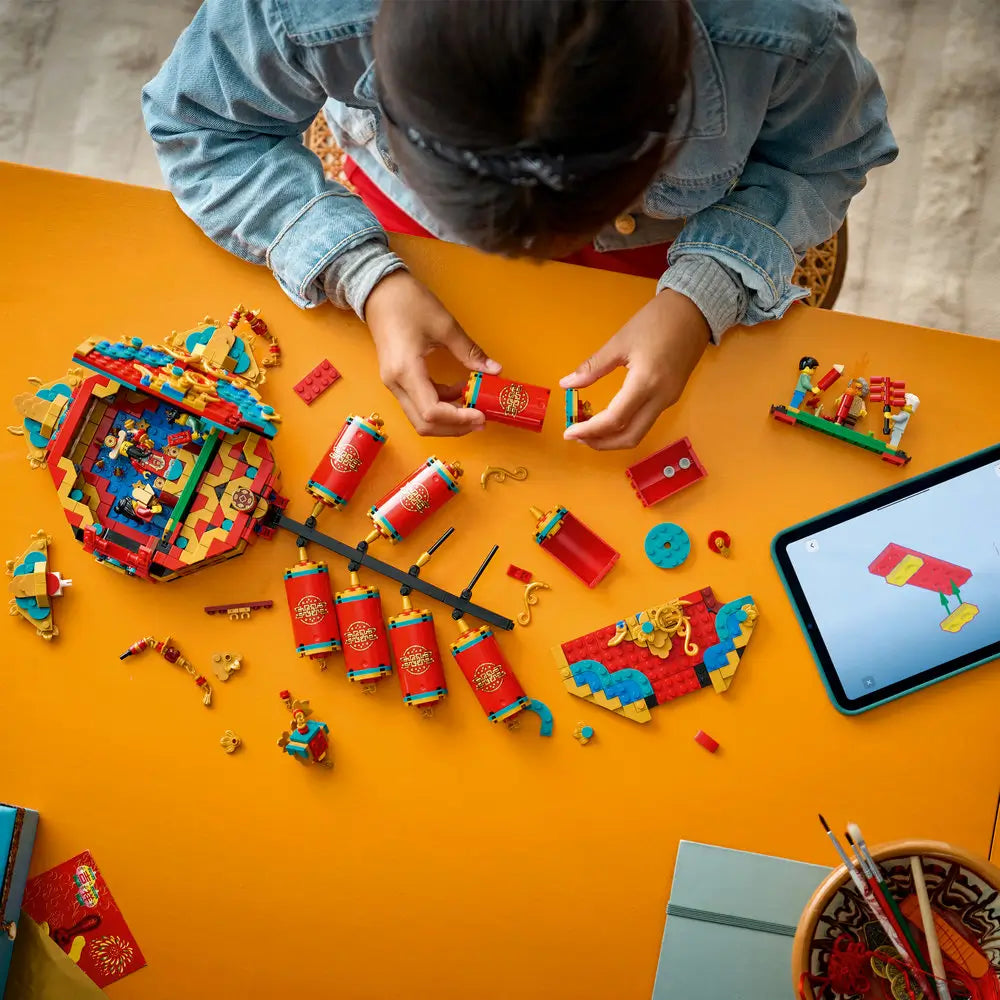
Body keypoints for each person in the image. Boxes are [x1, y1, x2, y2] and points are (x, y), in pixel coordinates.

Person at [143, 0, 897, 450]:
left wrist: (703, 294)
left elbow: (824, 159)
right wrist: (360, 273)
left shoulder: (778, 31)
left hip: (672, 242)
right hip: (396, 231)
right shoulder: (306, 11)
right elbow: (199, 124)